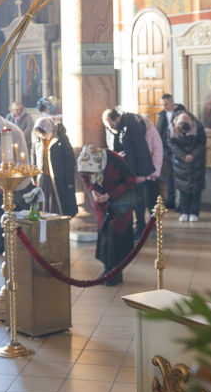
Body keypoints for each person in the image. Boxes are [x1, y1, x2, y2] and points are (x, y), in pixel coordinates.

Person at [77, 145, 139, 287]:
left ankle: (116, 272)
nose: (92, 176)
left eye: (93, 173)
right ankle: (107, 268)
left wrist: (111, 195)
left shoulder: (114, 160)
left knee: (116, 235)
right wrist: (93, 191)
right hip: (102, 203)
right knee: (105, 234)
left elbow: (131, 181)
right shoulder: (84, 162)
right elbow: (87, 179)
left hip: (122, 199)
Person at [0, 113, 33, 256]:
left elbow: (22, 160)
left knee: (20, 215)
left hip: (18, 183)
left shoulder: (15, 133)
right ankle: (1, 245)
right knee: (0, 215)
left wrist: (12, 183)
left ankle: (24, 247)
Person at [102, 109, 154, 237]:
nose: (109, 126)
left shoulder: (132, 127)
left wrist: (141, 175)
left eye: (110, 122)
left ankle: (141, 228)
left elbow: (142, 152)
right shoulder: (118, 128)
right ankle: (126, 229)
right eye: (106, 124)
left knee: (138, 200)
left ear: (117, 118)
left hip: (135, 172)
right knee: (126, 200)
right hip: (124, 171)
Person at [31, 117, 78, 217]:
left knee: (58, 202)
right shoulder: (37, 139)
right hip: (42, 176)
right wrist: (33, 176)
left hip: (58, 177)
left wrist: (69, 179)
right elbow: (33, 157)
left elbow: (69, 159)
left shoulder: (60, 138)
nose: (42, 136)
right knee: (43, 201)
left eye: (43, 133)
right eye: (39, 134)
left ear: (49, 129)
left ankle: (57, 222)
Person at [168, 111, 206, 222]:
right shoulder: (172, 127)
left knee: (196, 188)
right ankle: (184, 211)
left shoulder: (198, 126)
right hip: (180, 161)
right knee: (182, 187)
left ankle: (194, 212)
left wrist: (192, 155)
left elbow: (202, 144)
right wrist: (183, 155)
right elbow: (171, 143)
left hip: (196, 161)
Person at [157, 94, 185, 209]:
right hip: (166, 150)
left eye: (166, 104)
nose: (164, 107)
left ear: (172, 101)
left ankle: (181, 202)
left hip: (178, 149)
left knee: (180, 176)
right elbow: (159, 131)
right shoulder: (163, 114)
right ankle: (170, 199)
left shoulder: (182, 113)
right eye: (162, 105)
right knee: (168, 175)